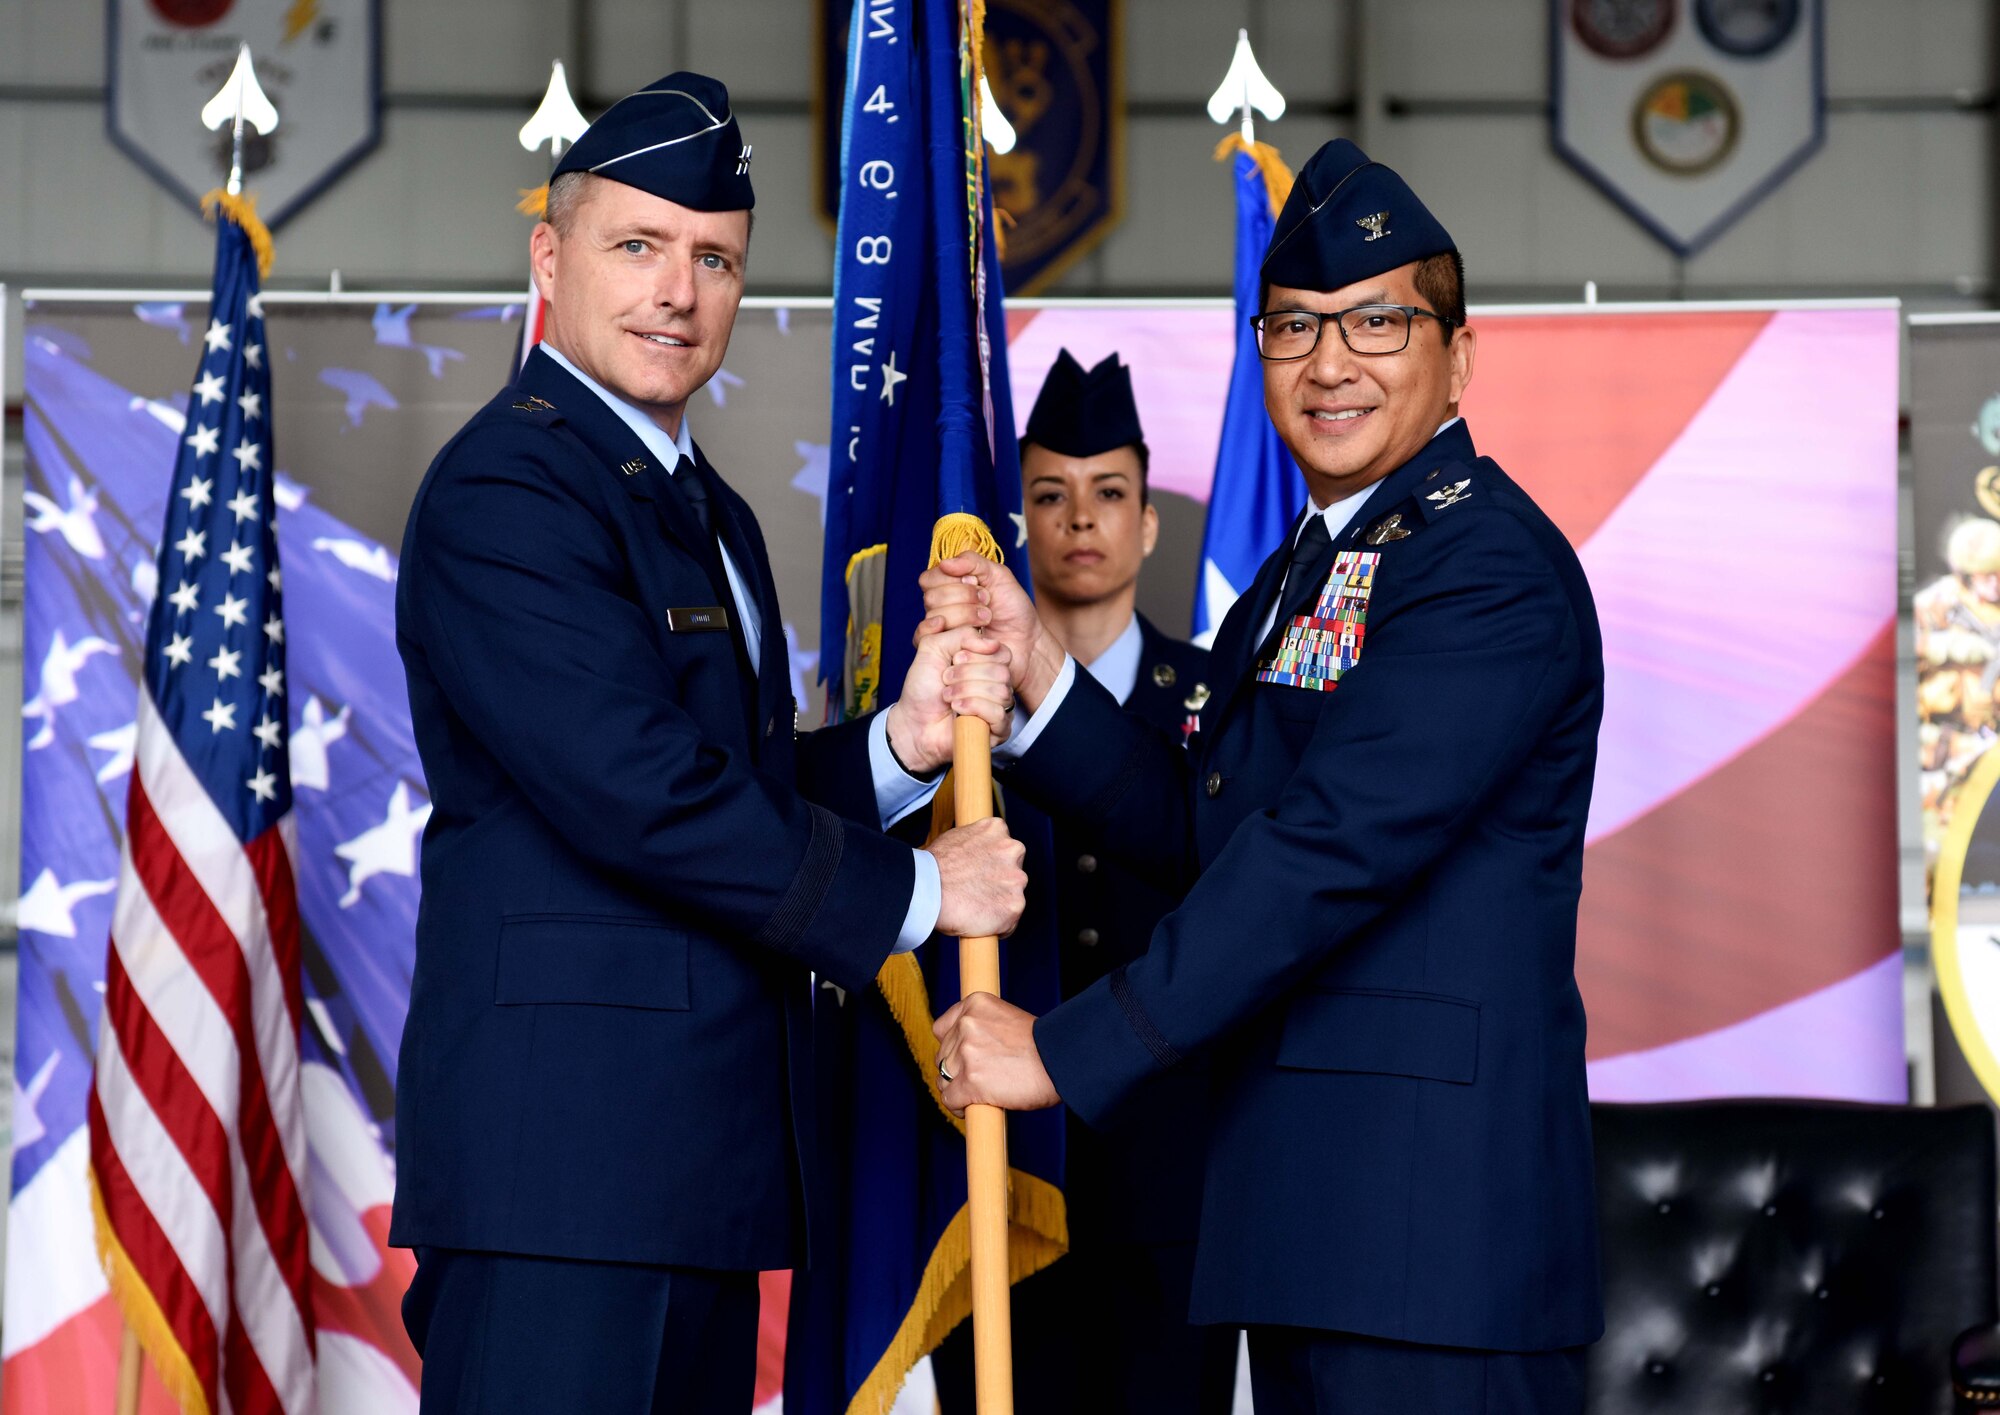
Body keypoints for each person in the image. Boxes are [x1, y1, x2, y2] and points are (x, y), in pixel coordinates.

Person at [922, 138, 1606, 1413]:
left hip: (1432, 1244)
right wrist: (1034, 677)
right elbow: (1209, 824)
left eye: (1375, 324)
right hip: (1313, 1226)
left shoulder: (1484, 569)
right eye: (1293, 329)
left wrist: (1065, 1053)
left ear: (1457, 355)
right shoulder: (1308, 569)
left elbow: (1325, 851)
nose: (1328, 363)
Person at [390, 73, 1026, 1414]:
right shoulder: (510, 485)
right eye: (637, 247)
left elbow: (730, 779)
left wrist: (901, 747)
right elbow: (637, 790)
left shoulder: (709, 511)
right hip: (562, 1179)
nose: (677, 291)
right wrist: (919, 892)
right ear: (549, 256)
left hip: (692, 1171)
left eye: (715, 260)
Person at [931, 351, 1229, 1413]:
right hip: (1001, 1173)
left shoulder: (1211, 704)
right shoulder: (959, 710)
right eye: (1048, 496)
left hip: (1169, 1175)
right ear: (1020, 525)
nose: (1079, 521)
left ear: (1149, 522)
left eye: (1109, 494)